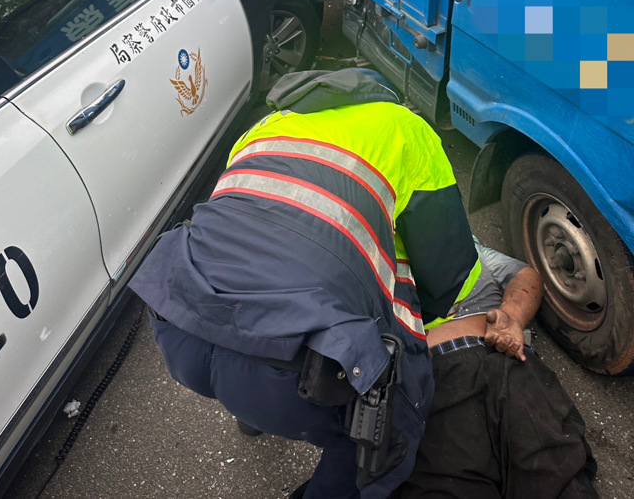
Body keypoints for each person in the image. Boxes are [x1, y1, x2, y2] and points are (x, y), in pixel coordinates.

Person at [130, 68, 482, 499]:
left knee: (251, 327)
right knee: (388, 434)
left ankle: (249, 416)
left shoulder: (265, 126)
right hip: (295, 372)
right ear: (382, 97)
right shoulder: (406, 128)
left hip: (180, 323)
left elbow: (246, 227)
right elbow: (448, 274)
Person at [389, 239, 598, 499]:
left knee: (559, 474)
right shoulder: (368, 256)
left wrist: (512, 316)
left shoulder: (464, 243)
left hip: (506, 359)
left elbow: (526, 275)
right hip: (429, 380)